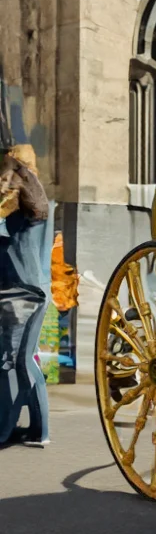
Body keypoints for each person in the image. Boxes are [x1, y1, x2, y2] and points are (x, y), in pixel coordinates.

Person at [0, 144, 53, 446]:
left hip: (22, 291)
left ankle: (5, 430)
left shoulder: (27, 198)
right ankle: (38, 429)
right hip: (30, 288)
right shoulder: (34, 199)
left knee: (10, 362)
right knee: (24, 362)